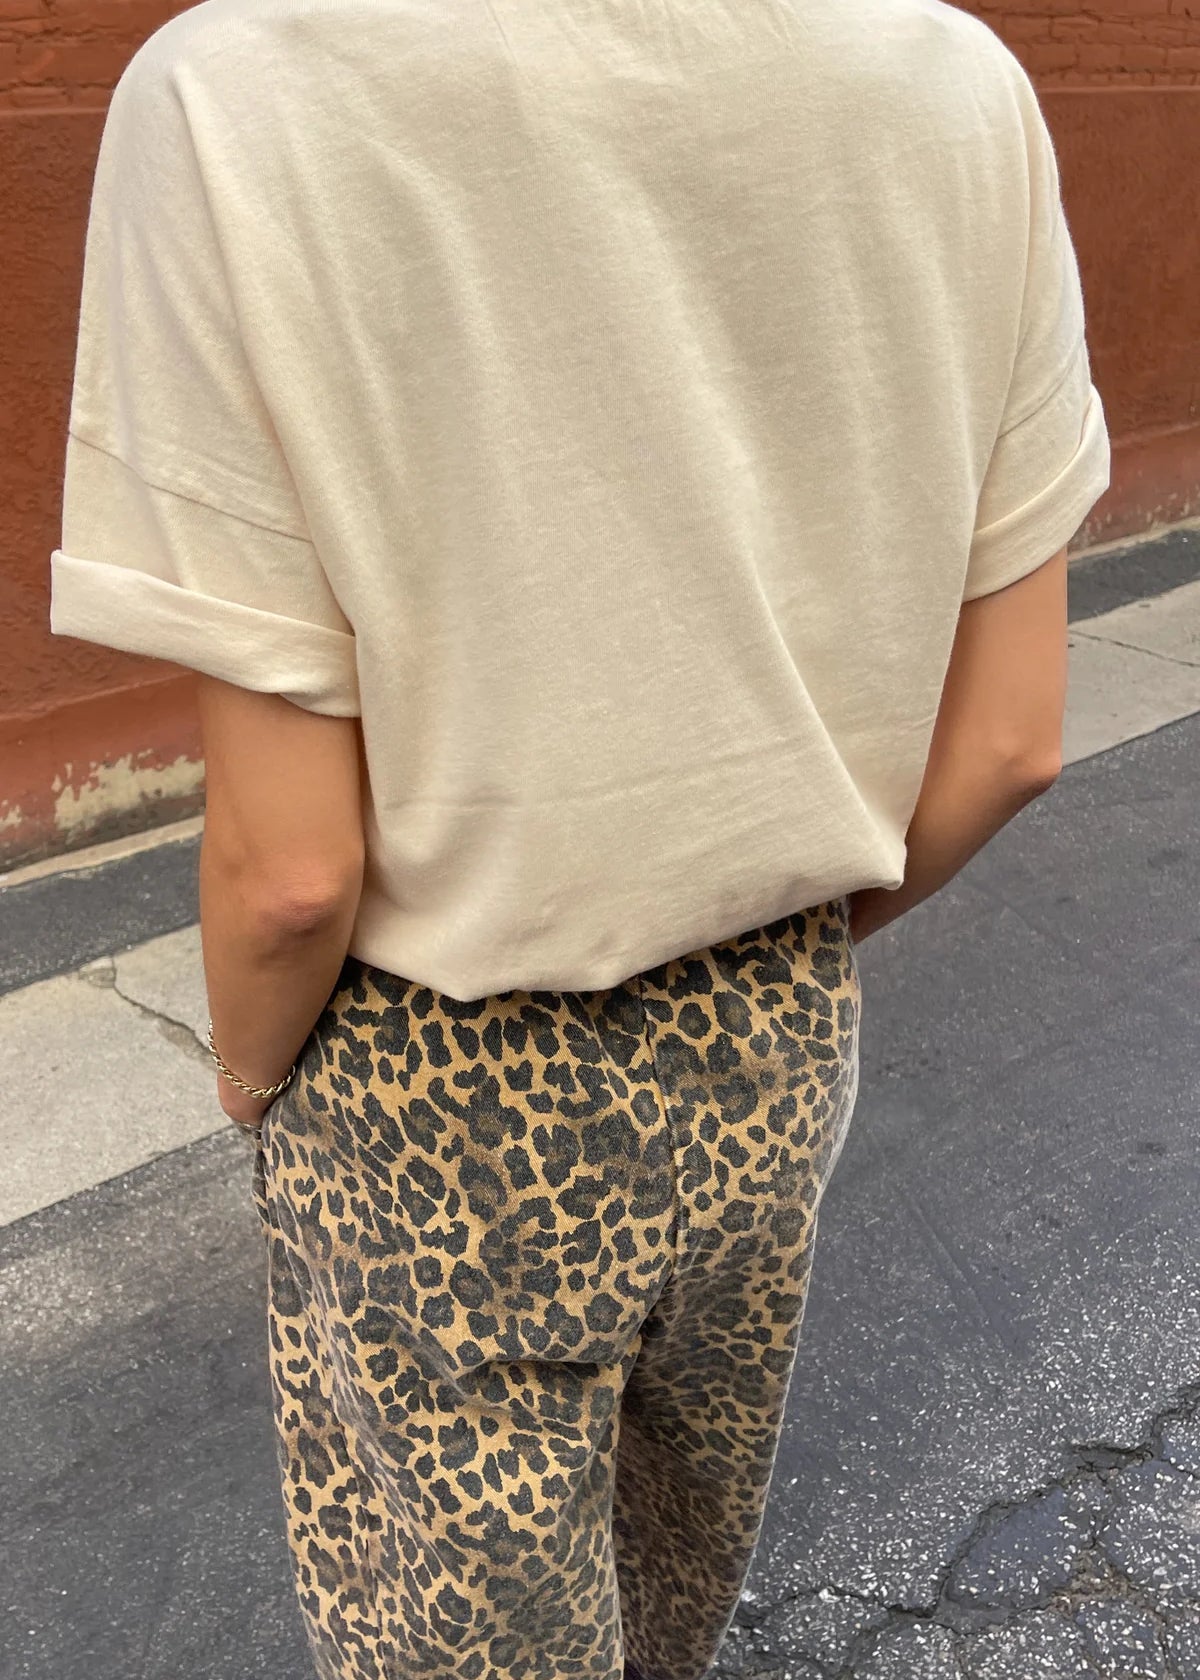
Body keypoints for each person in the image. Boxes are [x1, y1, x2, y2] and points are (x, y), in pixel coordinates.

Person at [48, 0, 1110, 1675]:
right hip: (775, 1036)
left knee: (452, 1632)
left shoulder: (238, 90)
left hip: (430, 1087)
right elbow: (1010, 739)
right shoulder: (961, 83)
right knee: (673, 1573)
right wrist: (769, 929)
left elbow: (292, 874)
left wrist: (251, 1079)